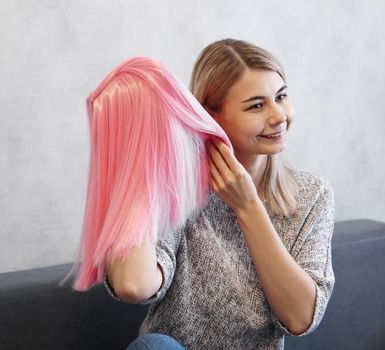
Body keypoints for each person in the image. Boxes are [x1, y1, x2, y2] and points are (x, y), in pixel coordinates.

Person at [108, 39, 335, 350]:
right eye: (256, 105)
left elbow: (300, 318)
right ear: (209, 116)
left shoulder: (313, 196)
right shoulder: (178, 189)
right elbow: (132, 284)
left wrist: (248, 207)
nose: (278, 116)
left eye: (281, 97)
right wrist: (145, 162)